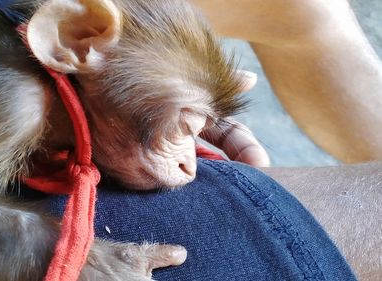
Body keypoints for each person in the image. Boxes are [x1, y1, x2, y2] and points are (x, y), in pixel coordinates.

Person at [45, 0, 382, 280]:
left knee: (305, 9)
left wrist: (178, 92)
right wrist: (65, 253)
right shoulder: (14, 110)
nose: (187, 163)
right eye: (187, 127)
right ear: (75, 38)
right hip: (39, 228)